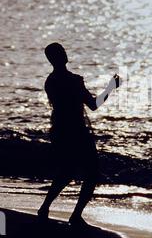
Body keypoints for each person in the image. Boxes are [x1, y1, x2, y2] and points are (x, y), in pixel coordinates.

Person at [38, 43, 120, 225]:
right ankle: (75, 215)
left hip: (60, 131)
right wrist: (110, 88)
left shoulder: (50, 82)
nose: (65, 53)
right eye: (62, 52)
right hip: (77, 132)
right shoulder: (74, 80)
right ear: (58, 57)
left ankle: (45, 208)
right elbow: (93, 105)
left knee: (66, 172)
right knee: (92, 173)